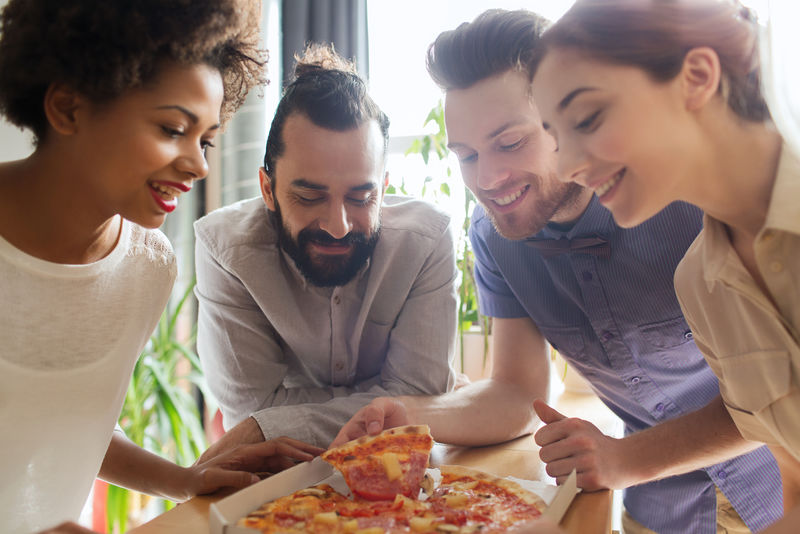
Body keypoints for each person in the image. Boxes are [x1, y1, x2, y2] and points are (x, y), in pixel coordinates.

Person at [334, 9, 783, 534]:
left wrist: (625, 460)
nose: (489, 177)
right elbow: (517, 392)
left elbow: (777, 395)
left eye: (510, 142)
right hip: (661, 514)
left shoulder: (693, 199)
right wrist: (411, 413)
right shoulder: (495, 237)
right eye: (466, 155)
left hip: (780, 486)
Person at [0, 1, 325, 532]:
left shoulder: (146, 267)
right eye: (173, 128)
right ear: (68, 107)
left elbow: (70, 421)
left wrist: (184, 481)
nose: (198, 164)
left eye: (206, 139)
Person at [529, 0, 800, 531]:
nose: (566, 164)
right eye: (557, 138)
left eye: (587, 119)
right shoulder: (700, 284)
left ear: (696, 75)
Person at [192, 44, 457, 459]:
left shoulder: (426, 241)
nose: (339, 226)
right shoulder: (226, 252)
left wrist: (273, 424)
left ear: (383, 188)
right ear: (268, 189)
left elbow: (418, 395)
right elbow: (253, 411)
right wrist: (387, 399)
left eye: (360, 197)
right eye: (310, 197)